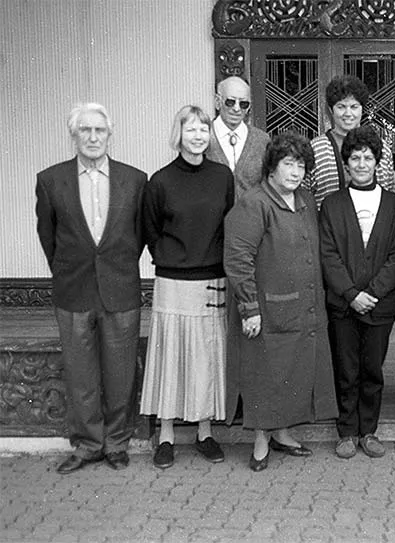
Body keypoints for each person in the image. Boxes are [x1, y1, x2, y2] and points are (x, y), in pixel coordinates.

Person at [35, 103, 146, 473]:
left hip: (120, 287)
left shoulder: (135, 180)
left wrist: (117, 266)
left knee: (120, 373)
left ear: (110, 134)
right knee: (80, 373)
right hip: (73, 290)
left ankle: (116, 443)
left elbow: (138, 236)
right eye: (85, 130)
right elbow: (48, 236)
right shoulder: (51, 180)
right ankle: (87, 445)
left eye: (100, 130)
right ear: (74, 135)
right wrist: (70, 269)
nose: (93, 137)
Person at [224, 131, 338, 472]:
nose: (295, 172)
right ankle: (261, 441)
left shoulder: (305, 200)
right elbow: (238, 259)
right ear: (272, 167)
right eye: (289, 164)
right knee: (266, 375)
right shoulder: (254, 203)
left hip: (303, 308)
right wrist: (249, 308)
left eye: (301, 165)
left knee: (295, 373)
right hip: (267, 311)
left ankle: (283, 433)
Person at [140, 106, 235, 469]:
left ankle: (204, 432)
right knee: (171, 357)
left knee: (206, 358)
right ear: (178, 135)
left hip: (212, 279)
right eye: (191, 129)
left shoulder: (222, 176)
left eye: (203, 129)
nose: (197, 136)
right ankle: (166, 435)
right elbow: (150, 231)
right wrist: (172, 258)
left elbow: (228, 224)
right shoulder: (160, 181)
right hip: (173, 282)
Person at [319, 126, 395, 459]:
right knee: (346, 369)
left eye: (368, 157)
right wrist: (352, 294)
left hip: (381, 305)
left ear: (377, 162)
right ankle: (346, 432)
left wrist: (373, 292)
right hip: (344, 304)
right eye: (355, 158)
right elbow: (328, 254)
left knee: (373, 369)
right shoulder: (332, 204)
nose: (361, 164)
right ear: (346, 163)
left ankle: (368, 431)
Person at [303, 75, 395, 208]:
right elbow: (302, 198)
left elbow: (389, 194)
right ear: (330, 110)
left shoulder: (382, 149)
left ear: (362, 108)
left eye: (354, 106)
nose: (348, 113)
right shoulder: (315, 149)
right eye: (341, 107)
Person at [206, 76, 270, 199]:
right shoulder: (202, 137)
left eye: (243, 104)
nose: (236, 108)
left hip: (251, 211)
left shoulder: (262, 140)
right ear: (217, 101)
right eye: (230, 102)